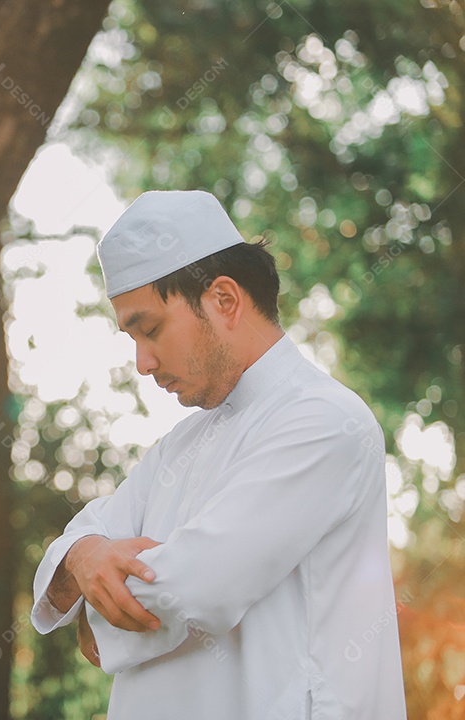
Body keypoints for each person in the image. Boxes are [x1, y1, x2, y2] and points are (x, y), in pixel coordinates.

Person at [31, 190, 407, 719]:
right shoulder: (177, 447)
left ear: (224, 300)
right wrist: (84, 557)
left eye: (151, 328)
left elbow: (194, 588)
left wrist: (94, 594)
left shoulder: (325, 421)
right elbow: (81, 541)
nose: (142, 362)